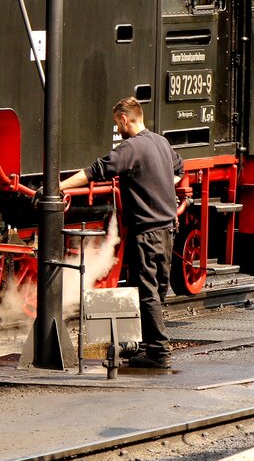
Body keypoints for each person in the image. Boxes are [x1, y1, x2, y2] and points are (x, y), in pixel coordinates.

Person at [59, 96, 183, 369]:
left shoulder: (131, 148)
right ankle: (148, 346)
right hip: (167, 229)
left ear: (125, 119)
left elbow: (96, 171)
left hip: (147, 231)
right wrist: (162, 187)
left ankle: (159, 354)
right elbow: (179, 170)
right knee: (158, 291)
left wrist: (59, 187)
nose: (118, 128)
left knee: (146, 291)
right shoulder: (161, 142)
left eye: (118, 122)